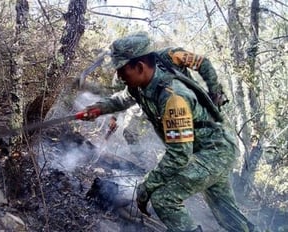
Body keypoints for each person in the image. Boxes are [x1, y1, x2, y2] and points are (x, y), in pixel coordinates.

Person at [81, 31, 257, 232]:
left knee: (164, 199)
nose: (118, 75)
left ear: (139, 67)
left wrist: (145, 188)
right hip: (208, 149)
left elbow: (179, 155)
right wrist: (98, 108)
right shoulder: (139, 84)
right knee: (227, 214)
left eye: (122, 69)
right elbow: (122, 99)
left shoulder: (173, 98)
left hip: (215, 151)